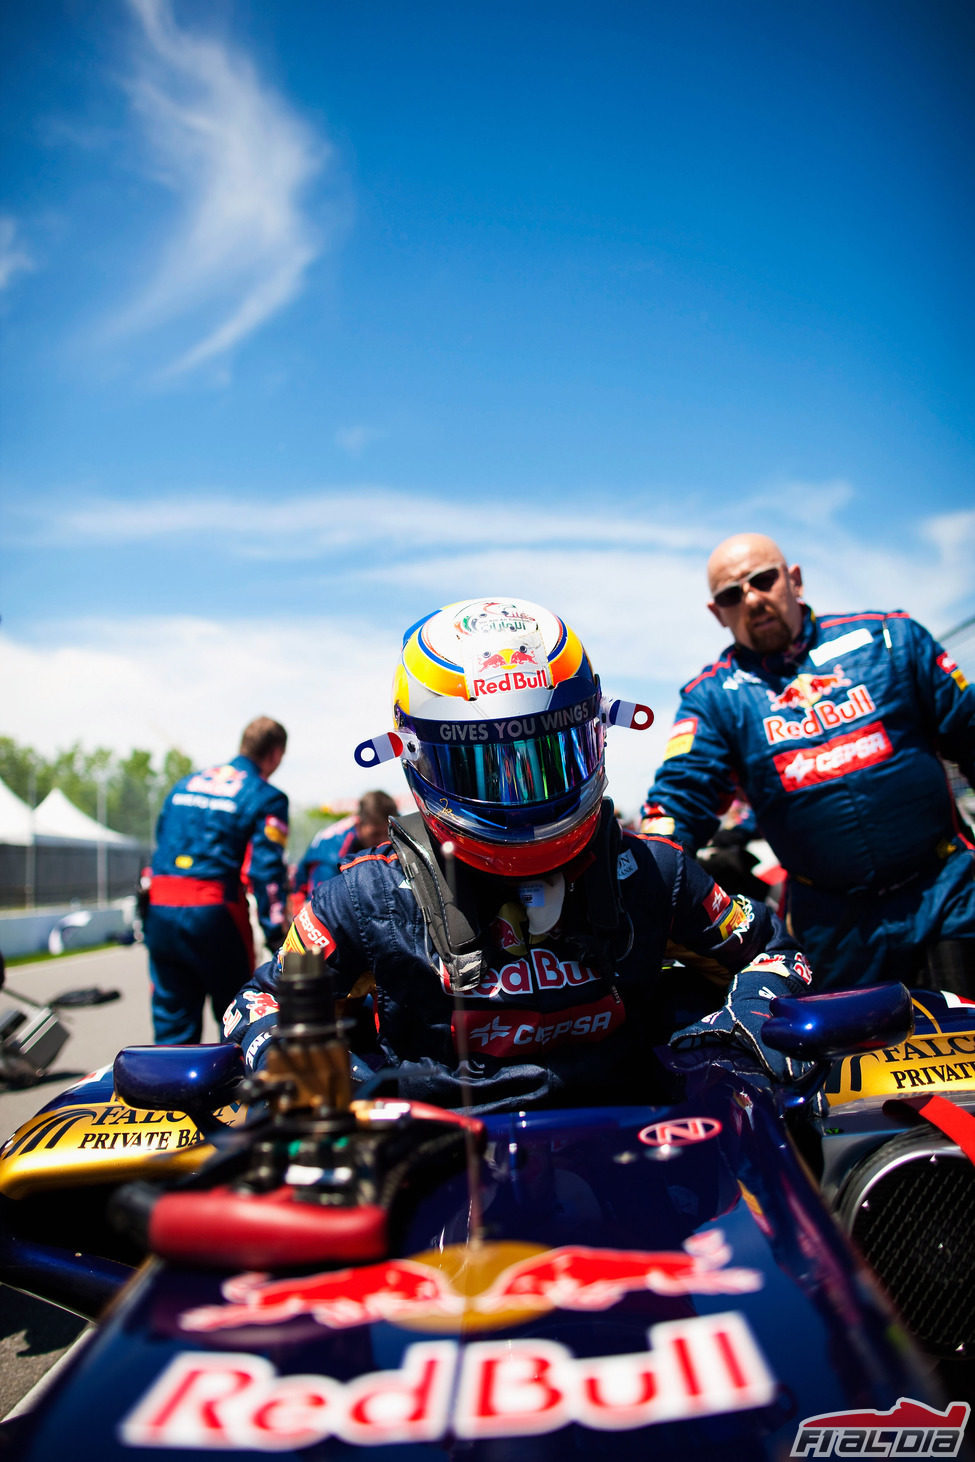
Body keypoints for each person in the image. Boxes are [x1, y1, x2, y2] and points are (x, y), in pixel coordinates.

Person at [223, 597, 813, 1113]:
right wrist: (312, 1075)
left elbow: (779, 956)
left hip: (634, 1157)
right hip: (442, 1174)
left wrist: (747, 1023)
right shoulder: (368, 897)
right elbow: (258, 1002)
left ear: (598, 734)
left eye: (549, 756)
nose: (524, 798)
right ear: (418, 758)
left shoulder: (655, 873)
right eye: (489, 768)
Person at [642, 533, 975, 993]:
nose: (752, 598)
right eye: (732, 594)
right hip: (833, 927)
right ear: (717, 613)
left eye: (763, 580)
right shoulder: (714, 698)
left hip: (947, 893)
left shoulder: (889, 639)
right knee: (849, 1062)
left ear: (793, 580)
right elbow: (679, 801)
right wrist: (641, 876)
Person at [145, 716, 290, 1044]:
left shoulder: (185, 783)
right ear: (276, 754)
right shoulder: (267, 796)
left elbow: (161, 840)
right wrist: (276, 934)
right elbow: (267, 872)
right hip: (214, 912)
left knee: (173, 1026)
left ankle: (172, 1094)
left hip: (160, 908)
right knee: (238, 1018)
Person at [291, 790, 398, 907]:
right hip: (305, 900)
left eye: (388, 832)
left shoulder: (389, 826)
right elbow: (319, 905)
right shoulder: (331, 856)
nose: (385, 841)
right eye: (375, 834)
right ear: (358, 824)